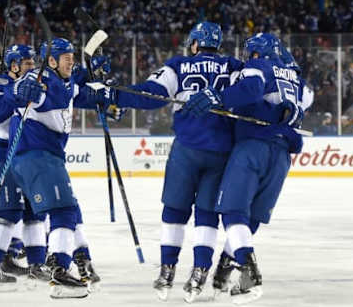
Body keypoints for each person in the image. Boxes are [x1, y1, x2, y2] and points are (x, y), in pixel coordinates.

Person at [91, 21, 244, 302]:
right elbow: (252, 93)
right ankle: (199, 273)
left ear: (195, 44)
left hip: (186, 151)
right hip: (222, 153)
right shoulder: (234, 66)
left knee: (174, 211)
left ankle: (167, 271)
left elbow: (151, 95)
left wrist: (115, 94)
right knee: (207, 216)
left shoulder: (180, 64)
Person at [182, 33, 313, 304]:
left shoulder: (260, 65)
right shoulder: (298, 81)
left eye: (249, 53)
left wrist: (216, 96)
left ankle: (249, 274)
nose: (247, 57)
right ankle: (225, 268)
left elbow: (251, 89)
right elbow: (298, 104)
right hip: (281, 157)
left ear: (256, 52)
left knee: (233, 213)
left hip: (253, 147)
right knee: (250, 218)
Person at [7, 38, 110, 298]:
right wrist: (23, 88)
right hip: (36, 157)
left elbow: (78, 90)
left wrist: (102, 92)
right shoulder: (41, 80)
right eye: (66, 58)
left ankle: (82, 260)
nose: (71, 62)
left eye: (72, 58)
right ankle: (60, 273)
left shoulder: (66, 80)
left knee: (71, 208)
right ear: (51, 61)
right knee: (64, 211)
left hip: (47, 158)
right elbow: (25, 91)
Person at [0, 44, 46, 292]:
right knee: (9, 208)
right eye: (27, 63)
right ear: (14, 66)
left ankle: (38, 265)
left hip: (18, 157)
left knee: (35, 208)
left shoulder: (35, 84)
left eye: (33, 62)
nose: (32, 67)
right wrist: (15, 91)